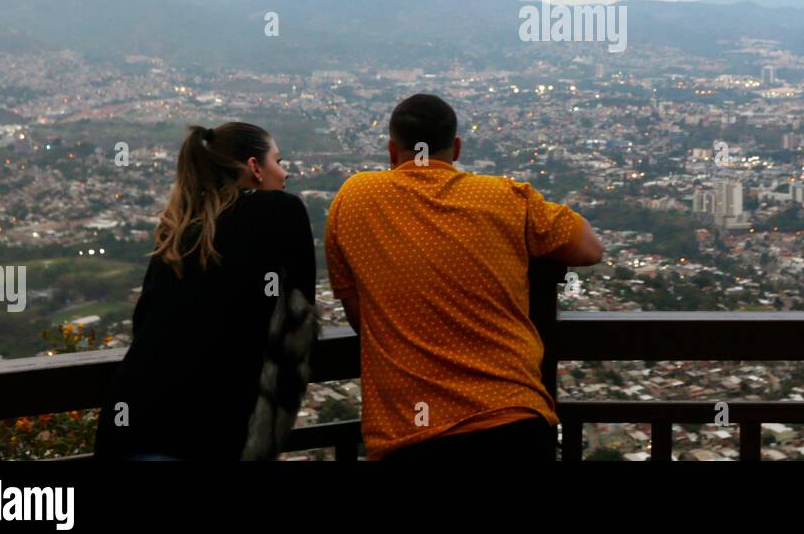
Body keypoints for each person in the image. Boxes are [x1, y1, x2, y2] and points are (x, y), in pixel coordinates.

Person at [325, 93, 604, 462]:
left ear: (392, 151)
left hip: (408, 432)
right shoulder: (504, 196)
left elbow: (360, 316)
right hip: (513, 421)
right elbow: (590, 249)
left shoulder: (355, 197)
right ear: (456, 148)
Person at [93, 122, 318, 460]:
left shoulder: (179, 233)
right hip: (207, 427)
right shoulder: (280, 210)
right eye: (278, 161)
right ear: (255, 168)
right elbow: (300, 309)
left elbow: (144, 322)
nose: (284, 174)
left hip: (129, 421)